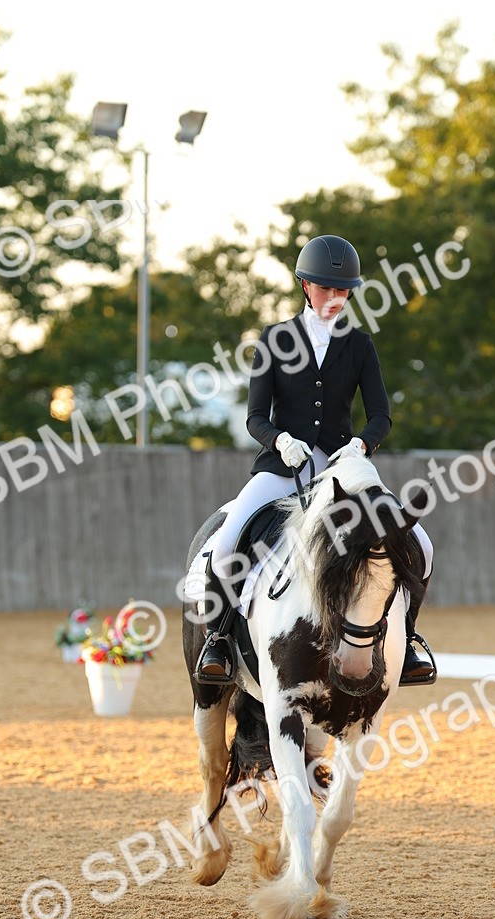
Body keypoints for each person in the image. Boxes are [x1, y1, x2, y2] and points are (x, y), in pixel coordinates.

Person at [193, 233, 435, 685]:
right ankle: (219, 640)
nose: (334, 298)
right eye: (326, 289)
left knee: (419, 541)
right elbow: (253, 417)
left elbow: (381, 415)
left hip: (344, 466)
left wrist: (362, 444)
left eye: (342, 291)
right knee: (227, 541)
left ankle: (412, 640)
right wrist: (281, 439)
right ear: (306, 286)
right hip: (285, 465)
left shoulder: (360, 345)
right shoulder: (275, 338)